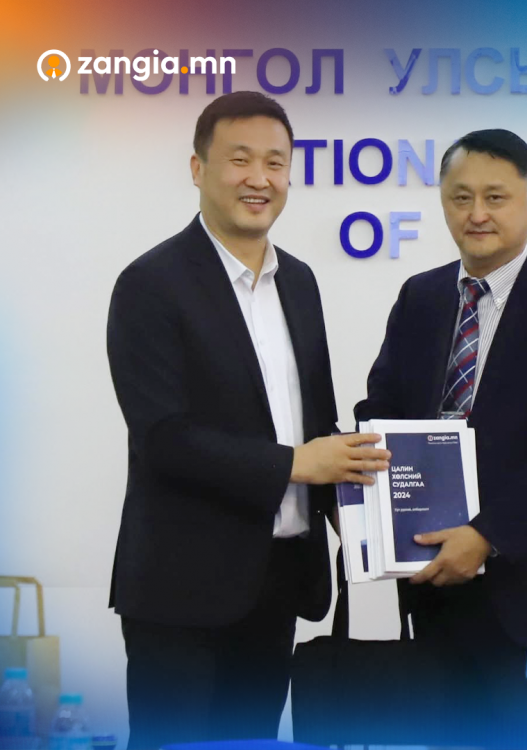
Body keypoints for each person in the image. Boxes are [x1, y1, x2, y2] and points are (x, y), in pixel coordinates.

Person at [106, 91, 390, 750]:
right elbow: (163, 438)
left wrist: (375, 512)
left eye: (275, 162)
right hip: (181, 592)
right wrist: (296, 464)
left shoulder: (301, 283)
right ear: (198, 168)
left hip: (277, 582)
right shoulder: (150, 284)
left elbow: (315, 422)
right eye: (239, 159)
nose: (259, 178)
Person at [355, 129, 527, 748]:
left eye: (495, 197)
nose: (477, 213)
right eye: (460, 197)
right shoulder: (420, 297)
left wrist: (485, 536)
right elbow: (384, 404)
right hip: (441, 582)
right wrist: (369, 486)